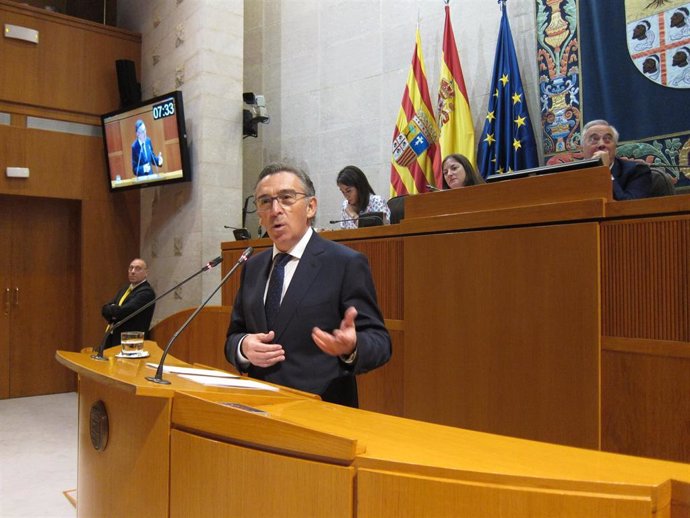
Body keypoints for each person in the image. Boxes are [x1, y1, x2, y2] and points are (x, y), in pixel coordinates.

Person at [225, 163, 392, 407]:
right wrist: (243, 347)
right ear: (259, 216)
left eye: (286, 198)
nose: (275, 210)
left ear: (310, 207)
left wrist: (352, 346)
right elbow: (234, 334)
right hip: (260, 408)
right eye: (265, 202)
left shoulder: (345, 263)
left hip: (322, 411)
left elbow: (380, 342)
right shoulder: (252, 267)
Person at [582, 119, 652, 200]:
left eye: (607, 139)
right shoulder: (571, 173)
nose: (601, 144)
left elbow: (629, 207)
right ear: (582, 148)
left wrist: (605, 170)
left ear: (615, 147)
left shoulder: (638, 171)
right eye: (594, 139)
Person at [101, 258, 156, 349]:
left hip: (130, 342)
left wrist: (114, 311)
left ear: (146, 272)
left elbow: (123, 312)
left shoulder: (146, 292)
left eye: (138, 268)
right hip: (113, 337)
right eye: (131, 268)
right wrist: (113, 311)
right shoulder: (125, 289)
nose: (133, 271)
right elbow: (105, 309)